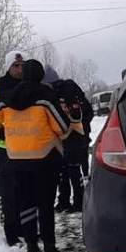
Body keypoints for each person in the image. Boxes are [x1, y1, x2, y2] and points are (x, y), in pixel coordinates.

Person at [0, 59, 69, 252]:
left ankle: (31, 247)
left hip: (17, 159)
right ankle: (49, 247)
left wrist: (3, 134)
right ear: (40, 75)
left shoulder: (7, 98)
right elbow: (62, 127)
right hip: (45, 158)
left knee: (26, 203)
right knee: (45, 204)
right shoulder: (46, 97)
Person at [0, 50, 28, 246]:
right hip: (1, 146)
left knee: (24, 189)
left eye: (22, 66)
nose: (20, 70)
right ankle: (12, 235)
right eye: (15, 66)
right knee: (7, 192)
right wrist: (0, 132)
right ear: (8, 66)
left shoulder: (28, 84)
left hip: (24, 145)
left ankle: (26, 230)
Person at [42, 65, 94, 212]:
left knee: (73, 169)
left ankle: (79, 201)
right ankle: (63, 200)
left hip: (76, 135)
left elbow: (79, 115)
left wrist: (74, 128)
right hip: (62, 136)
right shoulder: (54, 94)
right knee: (62, 170)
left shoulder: (68, 91)